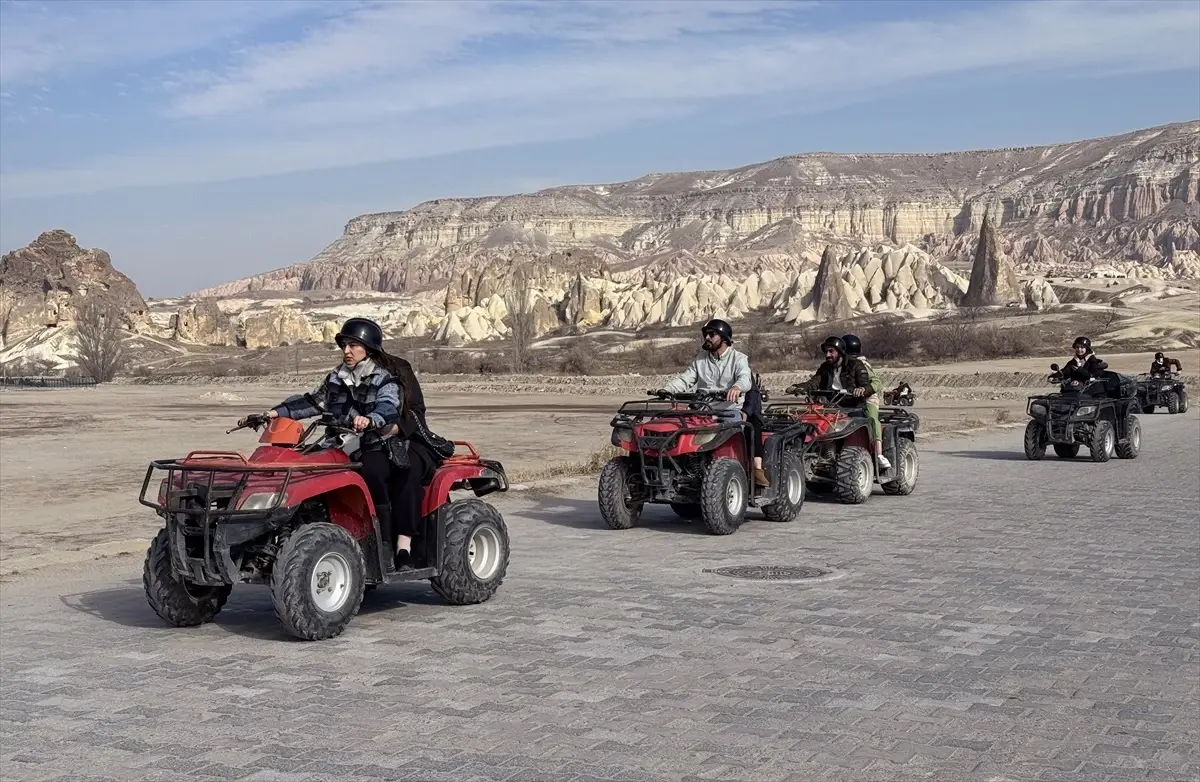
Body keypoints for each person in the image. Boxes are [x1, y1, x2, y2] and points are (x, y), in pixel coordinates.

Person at [262, 317, 425, 570]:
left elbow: (388, 406)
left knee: (372, 471)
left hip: (374, 442)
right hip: (337, 442)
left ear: (368, 349)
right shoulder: (336, 378)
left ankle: (382, 543)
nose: (346, 351)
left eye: (353, 345)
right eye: (344, 346)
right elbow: (312, 402)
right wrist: (274, 413)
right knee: (303, 465)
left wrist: (371, 419)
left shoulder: (383, 379)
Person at [659, 318, 767, 486]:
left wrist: (738, 387)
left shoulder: (738, 358)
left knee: (733, 429)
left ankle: (739, 469)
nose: (707, 338)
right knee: (677, 427)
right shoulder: (701, 359)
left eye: (711, 334)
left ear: (723, 338)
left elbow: (745, 377)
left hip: (729, 409)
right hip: (703, 410)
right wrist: (667, 390)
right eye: (706, 334)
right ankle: (683, 467)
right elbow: (686, 379)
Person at [805, 335, 889, 470]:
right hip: (837, 401)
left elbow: (875, 382)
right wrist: (802, 387)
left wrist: (863, 390)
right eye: (827, 351)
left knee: (872, 419)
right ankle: (823, 451)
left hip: (866, 398)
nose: (828, 355)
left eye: (832, 351)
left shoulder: (860, 364)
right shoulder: (829, 366)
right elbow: (816, 381)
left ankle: (878, 454)